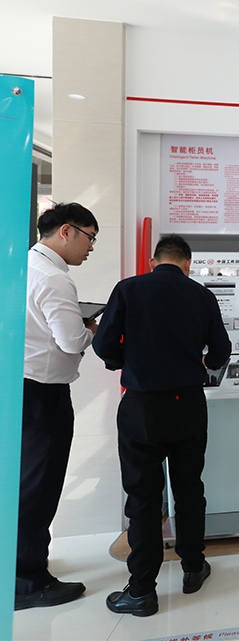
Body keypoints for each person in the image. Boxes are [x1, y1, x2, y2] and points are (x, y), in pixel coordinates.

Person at [93, 234, 231, 617]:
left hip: (142, 406)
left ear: (154, 262)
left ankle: (141, 591)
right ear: (188, 264)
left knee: (143, 497)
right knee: (189, 487)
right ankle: (193, 567)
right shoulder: (202, 295)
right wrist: (201, 363)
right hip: (188, 404)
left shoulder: (128, 289)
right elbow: (221, 351)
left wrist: (125, 361)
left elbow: (103, 344)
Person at [16, 203, 100, 611]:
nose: (91, 248)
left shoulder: (24, 267)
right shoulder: (53, 278)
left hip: (22, 388)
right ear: (66, 231)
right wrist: (91, 329)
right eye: (90, 237)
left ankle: (24, 564)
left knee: (25, 483)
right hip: (43, 396)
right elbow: (70, 341)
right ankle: (28, 582)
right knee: (39, 486)